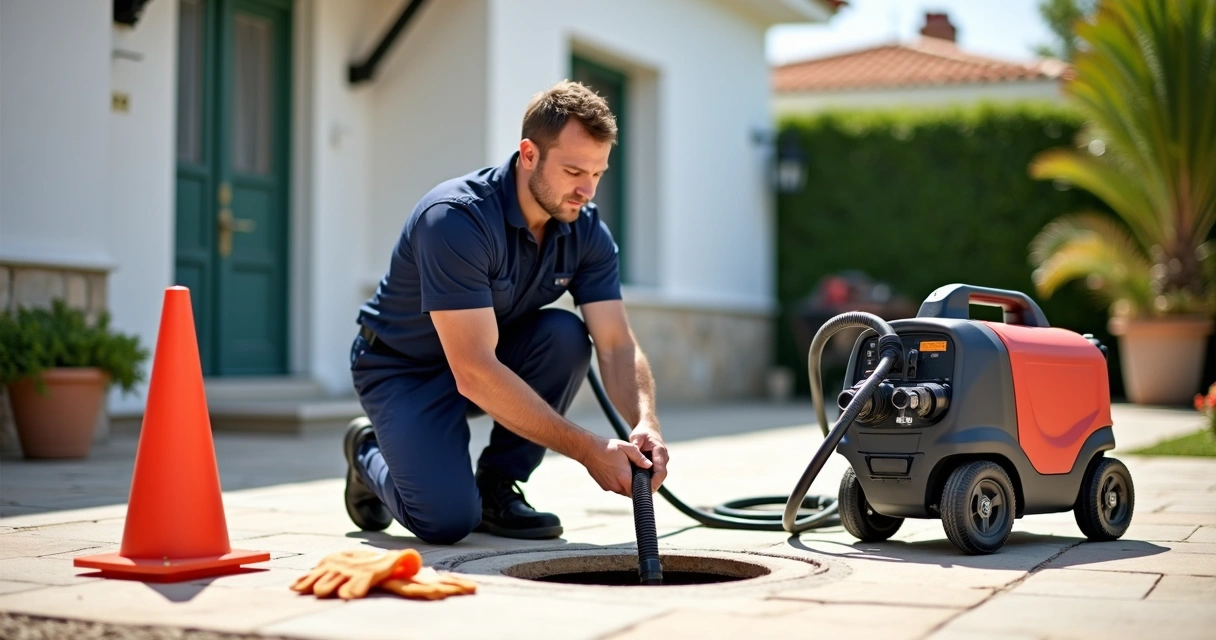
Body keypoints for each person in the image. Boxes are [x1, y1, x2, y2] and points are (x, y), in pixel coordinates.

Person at [344, 80, 669, 545]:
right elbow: (474, 370)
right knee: (446, 521)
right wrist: (588, 449)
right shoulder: (456, 218)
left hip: (487, 360)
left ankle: (497, 487)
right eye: (574, 170)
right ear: (529, 154)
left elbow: (616, 344)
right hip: (403, 369)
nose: (586, 190)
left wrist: (645, 421)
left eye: (598, 174)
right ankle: (365, 451)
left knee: (566, 335)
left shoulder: (586, 230)